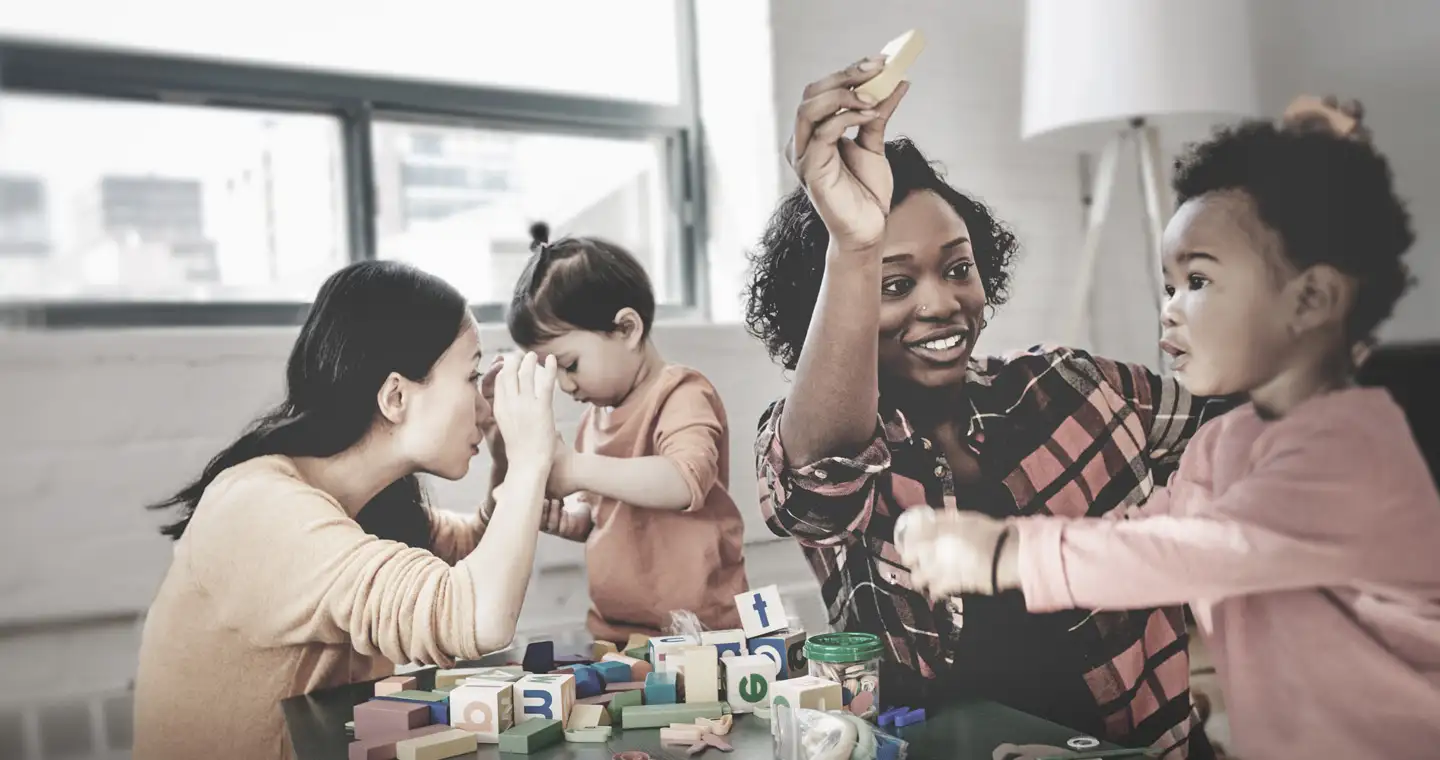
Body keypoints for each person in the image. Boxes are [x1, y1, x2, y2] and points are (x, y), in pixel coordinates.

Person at [901, 102, 1440, 759]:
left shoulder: (1354, 450)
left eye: (1199, 280)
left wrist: (1005, 553)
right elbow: (1142, 541)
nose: (1170, 306)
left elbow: (1196, 550)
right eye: (1169, 283)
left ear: (1310, 300)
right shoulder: (1225, 443)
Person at [744, 57, 1231, 756]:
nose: (942, 303)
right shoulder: (819, 437)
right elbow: (819, 477)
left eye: (957, 267)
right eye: (893, 284)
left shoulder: (1070, 387)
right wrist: (854, 243)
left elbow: (1252, 429)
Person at [134, 260, 560, 760]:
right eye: (471, 377)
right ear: (396, 396)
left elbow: (466, 556)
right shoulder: (261, 509)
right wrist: (533, 460)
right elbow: (476, 615)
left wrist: (510, 475)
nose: (485, 406)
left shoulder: (365, 499)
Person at [481, 222, 749, 645]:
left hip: (704, 633)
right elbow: (600, 517)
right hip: (615, 632)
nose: (566, 385)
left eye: (569, 365)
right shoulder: (593, 422)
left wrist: (574, 467)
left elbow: (684, 481)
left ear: (627, 329)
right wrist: (571, 520)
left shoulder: (680, 394)